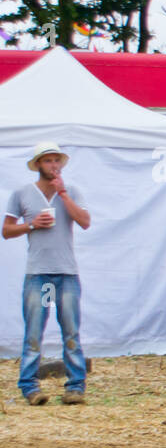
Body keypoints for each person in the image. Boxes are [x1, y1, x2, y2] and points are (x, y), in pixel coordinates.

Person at [3, 142, 92, 405]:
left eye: (56, 161)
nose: (53, 166)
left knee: (71, 332)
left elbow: (85, 222)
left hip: (66, 274)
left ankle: (75, 386)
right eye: (47, 161)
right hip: (39, 275)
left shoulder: (71, 191)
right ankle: (30, 387)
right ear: (38, 165)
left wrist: (63, 195)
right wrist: (31, 224)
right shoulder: (22, 193)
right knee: (34, 332)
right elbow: (6, 230)